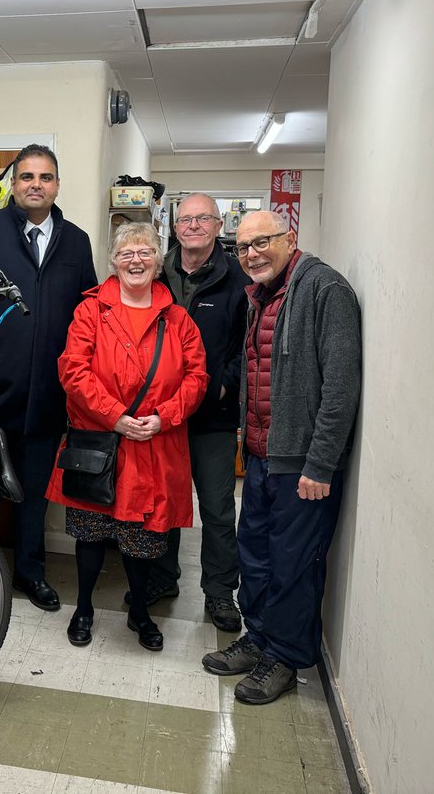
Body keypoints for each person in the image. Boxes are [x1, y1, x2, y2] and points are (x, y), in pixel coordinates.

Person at [202, 210, 361, 705]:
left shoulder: (325, 290)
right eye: (243, 246)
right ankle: (259, 639)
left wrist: (320, 463)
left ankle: (286, 659)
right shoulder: (260, 297)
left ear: (289, 239)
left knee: (293, 565)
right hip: (262, 455)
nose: (251, 253)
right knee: (257, 555)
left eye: (262, 242)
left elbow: (340, 386)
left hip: (303, 465)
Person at [0, 144, 97, 619]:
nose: (35, 185)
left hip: (46, 394)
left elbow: (87, 309)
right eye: (26, 176)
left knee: (32, 493)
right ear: (15, 184)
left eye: (45, 177)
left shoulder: (76, 241)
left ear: (56, 185)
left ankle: (30, 572)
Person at [46, 222, 208, 652]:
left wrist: (165, 417)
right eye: (126, 253)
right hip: (100, 441)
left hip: (155, 444)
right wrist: (115, 416)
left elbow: (197, 377)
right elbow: (73, 371)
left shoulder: (178, 319)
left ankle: (140, 611)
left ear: (158, 261)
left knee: (142, 539)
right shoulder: (90, 312)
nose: (136, 260)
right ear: (114, 262)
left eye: (145, 252)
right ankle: (83, 608)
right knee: (91, 531)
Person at [131, 194, 250, 632]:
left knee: (217, 508)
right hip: (160, 418)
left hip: (211, 418)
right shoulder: (157, 274)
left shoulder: (238, 279)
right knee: (163, 504)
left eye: (203, 219)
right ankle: (163, 578)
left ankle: (220, 593)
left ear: (219, 225)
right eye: (186, 219)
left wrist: (224, 384)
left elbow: (248, 345)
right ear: (174, 226)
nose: (194, 226)